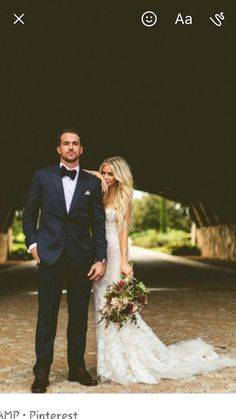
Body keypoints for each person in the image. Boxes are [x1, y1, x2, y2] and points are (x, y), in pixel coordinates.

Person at [91, 156, 236, 384]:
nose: (107, 177)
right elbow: (79, 175)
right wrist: (97, 176)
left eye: (111, 174)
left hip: (115, 254)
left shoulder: (124, 198)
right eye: (104, 173)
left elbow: (123, 233)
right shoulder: (99, 192)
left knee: (118, 309)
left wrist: (124, 263)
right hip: (98, 255)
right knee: (101, 306)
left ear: (120, 176)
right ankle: (107, 362)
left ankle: (125, 360)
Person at [23, 128, 107, 392]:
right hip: (50, 258)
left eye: (75, 144)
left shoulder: (93, 183)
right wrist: (33, 244)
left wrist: (100, 257)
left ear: (81, 150)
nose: (71, 148)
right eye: (66, 144)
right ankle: (42, 371)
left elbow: (99, 224)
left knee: (79, 316)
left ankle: (76, 368)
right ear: (58, 149)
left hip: (81, 259)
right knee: (46, 315)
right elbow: (29, 214)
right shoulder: (42, 176)